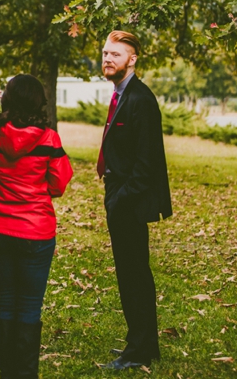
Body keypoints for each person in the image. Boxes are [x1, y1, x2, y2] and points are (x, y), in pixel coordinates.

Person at [0, 74, 73, 379]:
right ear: (39, 102)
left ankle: (7, 373)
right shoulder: (49, 138)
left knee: (6, 301)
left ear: (7, 100)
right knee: (29, 306)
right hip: (36, 231)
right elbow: (59, 183)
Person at [96, 31, 172, 370]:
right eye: (105, 53)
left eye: (116, 54)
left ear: (133, 59)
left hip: (130, 199)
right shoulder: (120, 95)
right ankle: (142, 344)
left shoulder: (141, 99)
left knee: (134, 275)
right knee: (131, 274)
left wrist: (119, 200)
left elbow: (147, 163)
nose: (108, 58)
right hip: (119, 194)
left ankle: (139, 351)